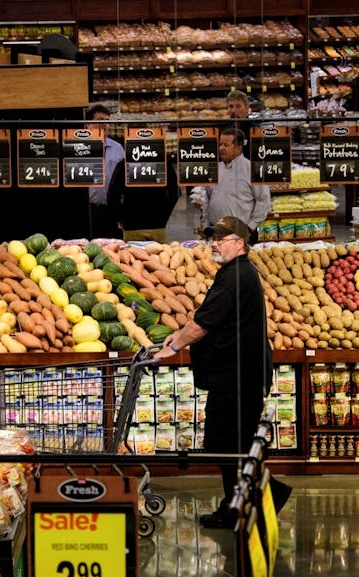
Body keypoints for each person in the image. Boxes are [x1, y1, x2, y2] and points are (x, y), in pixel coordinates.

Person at [154, 215, 290, 528]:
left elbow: (203, 323)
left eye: (222, 239)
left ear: (240, 244)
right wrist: (177, 337)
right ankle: (235, 507)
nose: (215, 244)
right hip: (238, 377)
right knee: (231, 447)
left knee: (230, 448)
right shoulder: (238, 273)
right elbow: (208, 320)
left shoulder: (235, 277)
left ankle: (256, 500)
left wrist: (173, 348)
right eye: (213, 238)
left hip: (237, 380)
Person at [188, 128, 271, 239]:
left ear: (238, 147)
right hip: (216, 232)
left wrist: (250, 228)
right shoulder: (215, 169)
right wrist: (207, 225)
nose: (221, 148)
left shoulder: (252, 170)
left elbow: (263, 201)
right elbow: (207, 199)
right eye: (220, 144)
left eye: (226, 145)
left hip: (242, 233)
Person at [107, 154, 181, 243]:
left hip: (132, 226)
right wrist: (163, 215)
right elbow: (175, 193)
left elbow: (112, 197)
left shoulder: (124, 164)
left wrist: (122, 218)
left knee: (132, 256)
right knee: (159, 255)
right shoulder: (163, 163)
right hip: (158, 225)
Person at [86, 103, 125, 239]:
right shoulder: (79, 147)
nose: (104, 125)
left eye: (107, 121)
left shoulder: (118, 148)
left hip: (113, 210)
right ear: (87, 124)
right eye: (100, 121)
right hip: (89, 210)